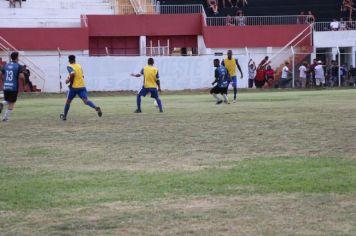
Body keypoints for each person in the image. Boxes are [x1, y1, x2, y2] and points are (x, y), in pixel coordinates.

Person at [60, 55, 102, 121]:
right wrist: (69, 78)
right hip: (82, 86)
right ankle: (96, 107)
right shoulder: (79, 66)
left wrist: (68, 81)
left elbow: (73, 73)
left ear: (69, 60)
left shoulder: (69, 66)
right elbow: (82, 76)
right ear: (75, 60)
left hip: (74, 88)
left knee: (68, 102)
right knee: (86, 101)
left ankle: (64, 116)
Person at [0, 52, 24, 122]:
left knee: (8, 100)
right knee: (12, 102)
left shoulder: (5, 65)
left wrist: (3, 80)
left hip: (6, 86)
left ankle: (2, 104)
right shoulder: (18, 66)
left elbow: (1, 74)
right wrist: (24, 83)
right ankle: (5, 118)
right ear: (17, 58)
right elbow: (22, 76)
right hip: (13, 87)